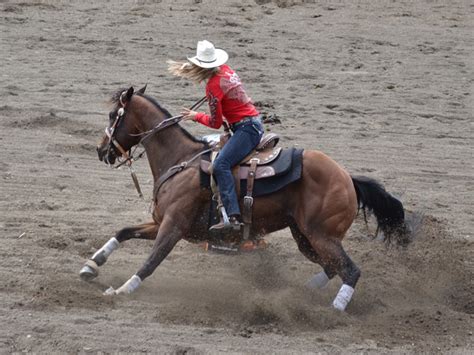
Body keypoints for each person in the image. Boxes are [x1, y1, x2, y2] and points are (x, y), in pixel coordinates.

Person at [168, 40, 264, 231]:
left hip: (245, 130)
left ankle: (232, 216)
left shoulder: (212, 86)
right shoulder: (226, 70)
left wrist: (196, 116)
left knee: (221, 165)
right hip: (252, 123)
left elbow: (215, 122)